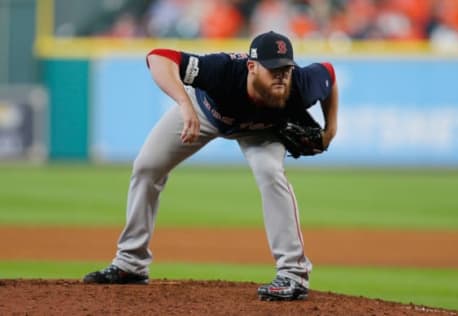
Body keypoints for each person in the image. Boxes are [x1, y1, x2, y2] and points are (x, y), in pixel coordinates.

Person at [83, 30, 339, 301]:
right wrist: (184, 104)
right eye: (273, 69)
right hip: (205, 113)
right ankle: (130, 264)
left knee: (270, 172)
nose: (281, 76)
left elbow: (329, 73)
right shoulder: (222, 71)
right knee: (147, 167)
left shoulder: (300, 83)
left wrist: (330, 130)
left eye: (286, 68)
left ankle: (293, 275)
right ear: (252, 67)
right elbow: (158, 57)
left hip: (260, 131)